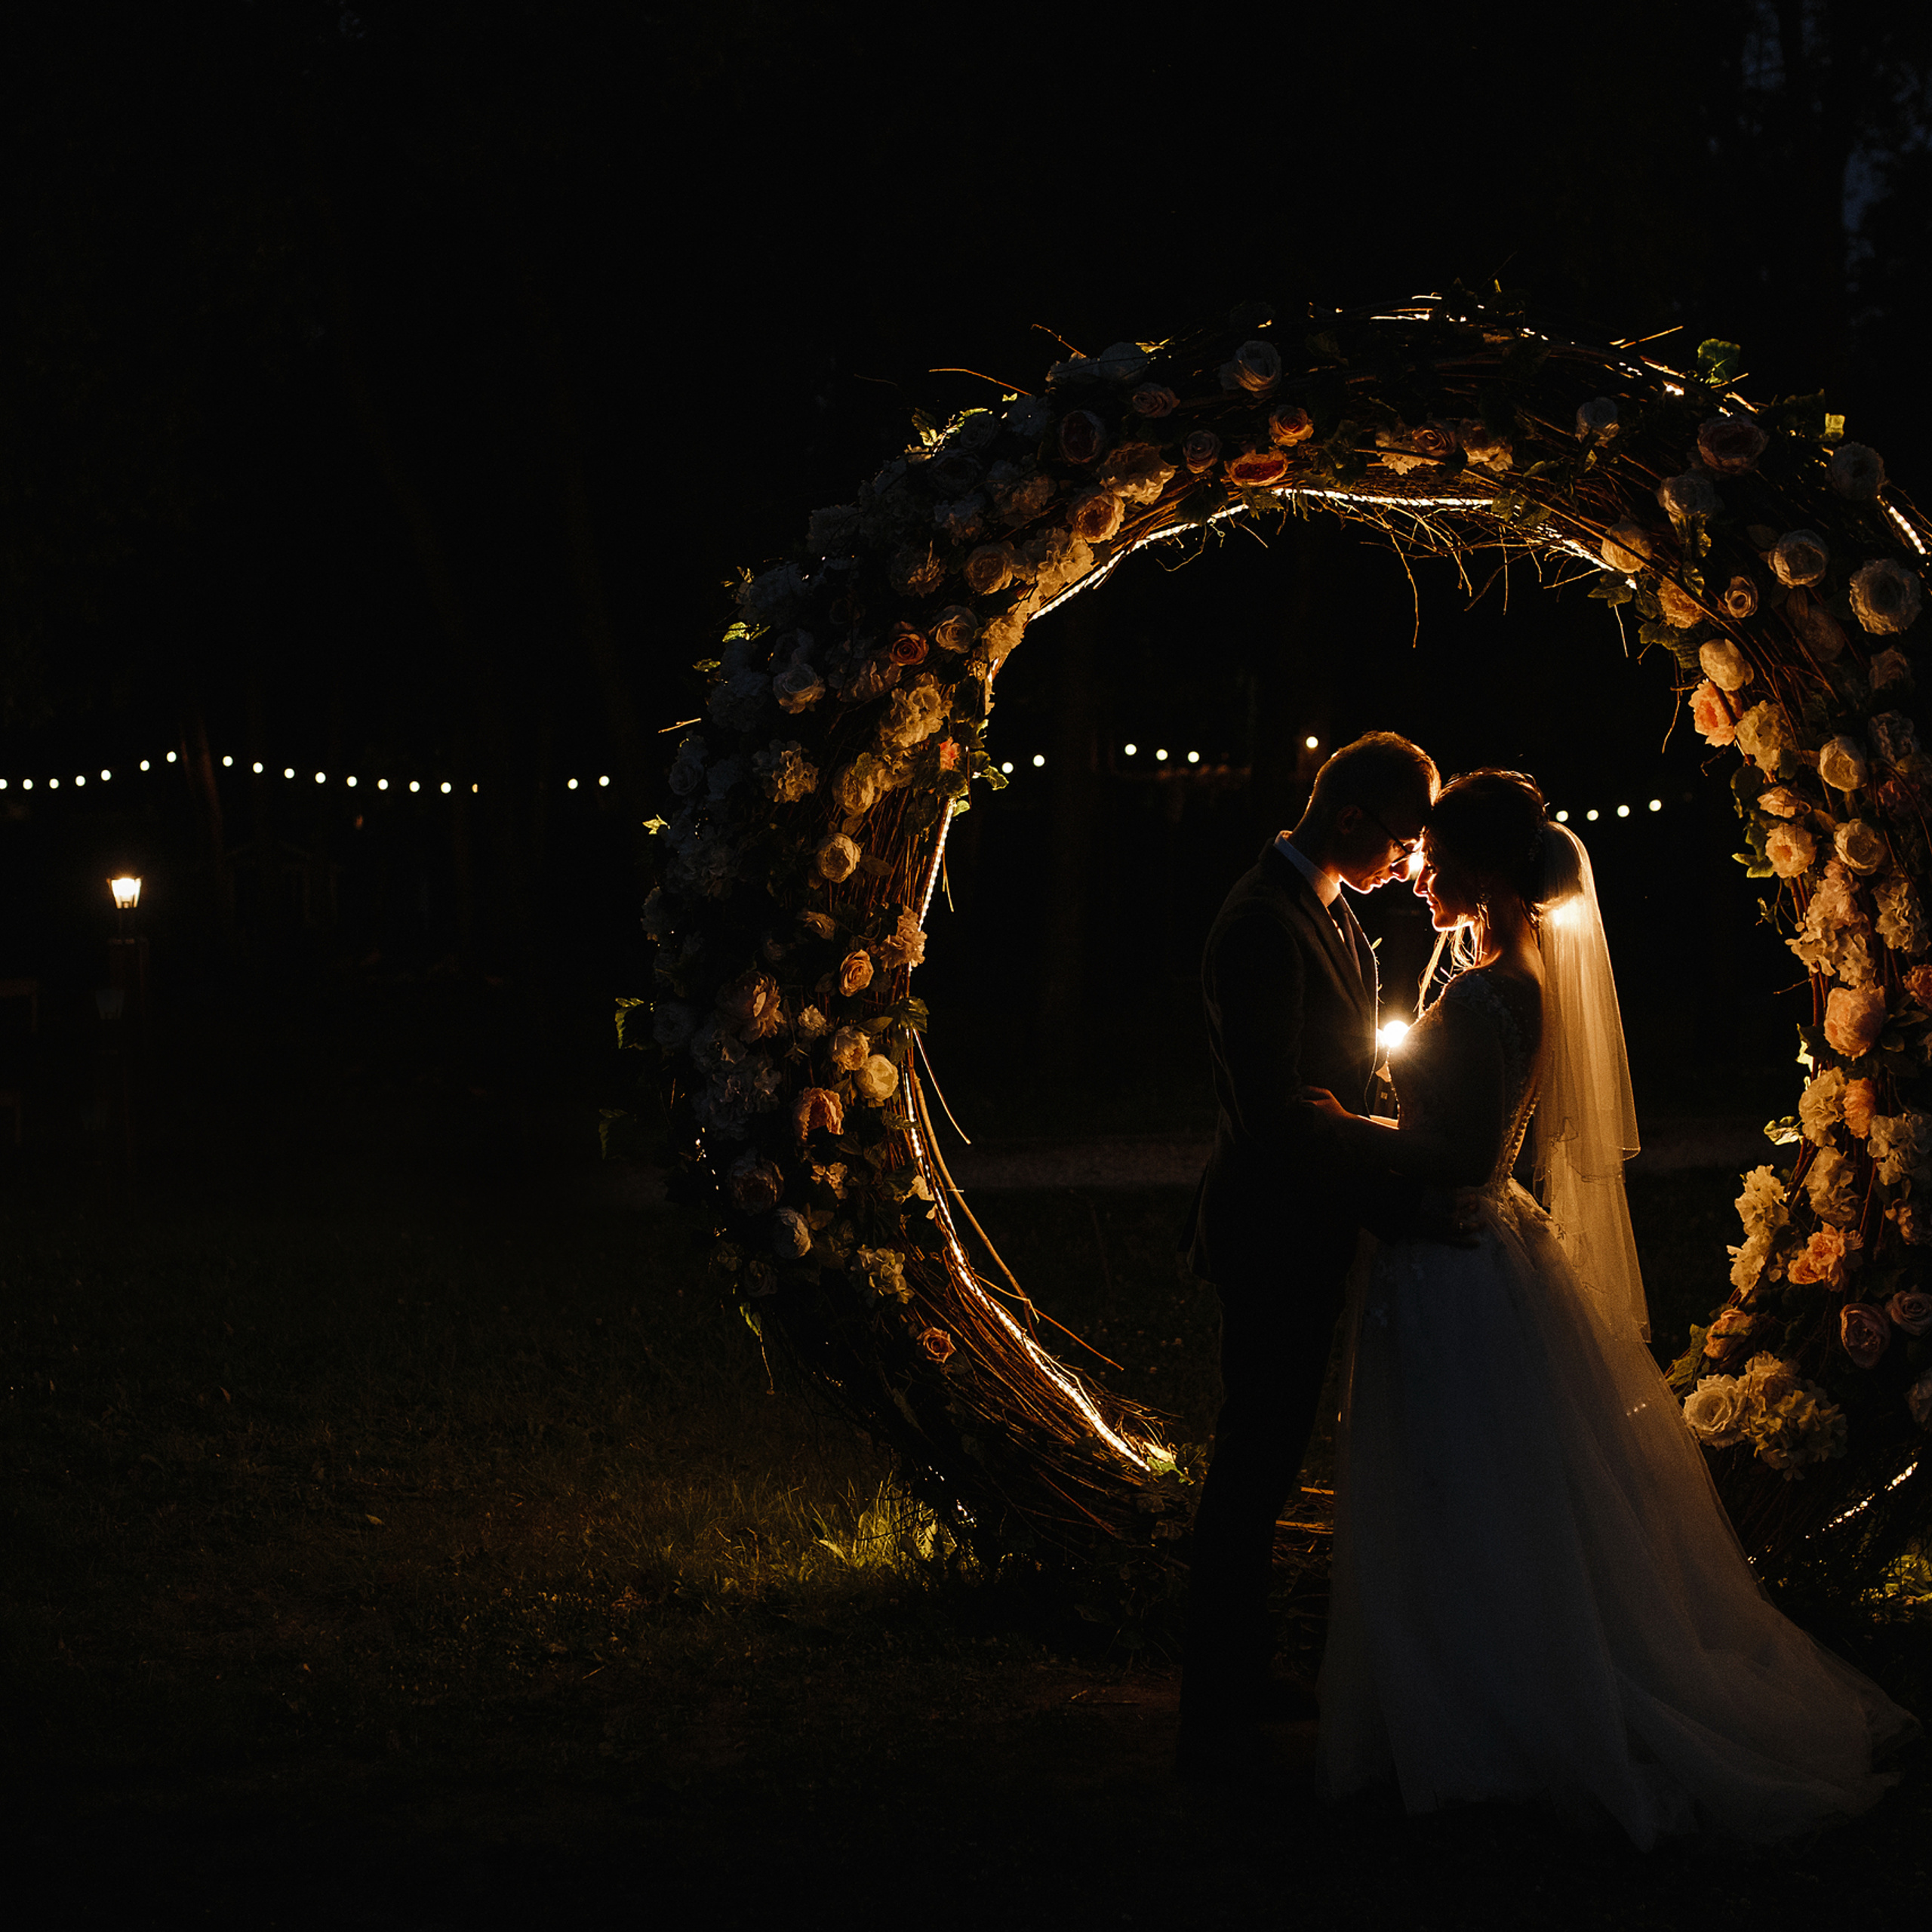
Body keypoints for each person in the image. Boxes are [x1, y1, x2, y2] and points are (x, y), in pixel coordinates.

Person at [1306, 768, 1916, 1845]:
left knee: (1466, 1495)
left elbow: (1460, 1156)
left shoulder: (1494, 991)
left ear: (1483, 872)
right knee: (1465, 1497)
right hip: (1463, 1258)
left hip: (1454, 1267)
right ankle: (1458, 1708)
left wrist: (1343, 1129)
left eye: (1436, 863)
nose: (1421, 880)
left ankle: (1498, 1724)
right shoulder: (1503, 975)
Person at [1177, 731, 1457, 1780]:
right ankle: (1216, 1694)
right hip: (1272, 1232)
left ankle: (1241, 1666)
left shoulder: (1329, 907)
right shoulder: (1263, 922)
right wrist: (1397, 1181)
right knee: (1253, 1458)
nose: (1408, 863)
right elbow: (1273, 1113)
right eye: (1402, 841)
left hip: (1308, 1227)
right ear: (1348, 819)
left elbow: (1340, 1070)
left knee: (1270, 1451)